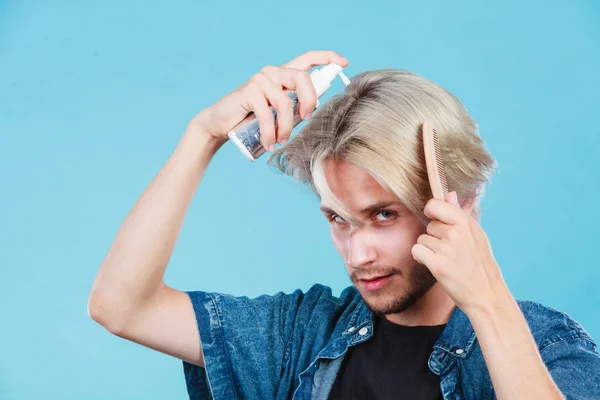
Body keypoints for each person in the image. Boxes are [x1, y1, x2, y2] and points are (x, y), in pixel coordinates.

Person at [88, 50, 600, 400]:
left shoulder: (544, 344)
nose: (357, 256)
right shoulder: (303, 336)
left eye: (383, 215)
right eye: (338, 219)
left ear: (459, 201)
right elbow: (123, 307)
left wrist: (489, 303)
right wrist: (203, 135)